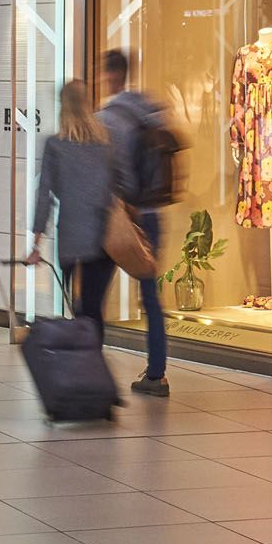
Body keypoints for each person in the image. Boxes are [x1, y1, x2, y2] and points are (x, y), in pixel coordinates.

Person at [99, 48, 172, 398]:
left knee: (93, 295)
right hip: (153, 215)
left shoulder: (108, 118)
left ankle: (89, 371)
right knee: (151, 298)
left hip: (120, 217)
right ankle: (156, 374)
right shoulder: (153, 110)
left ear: (111, 76)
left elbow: (109, 173)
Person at [24, 80, 119, 340]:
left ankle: (83, 364)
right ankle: (92, 361)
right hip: (104, 238)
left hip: (72, 238)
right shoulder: (105, 143)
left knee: (78, 309)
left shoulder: (56, 145)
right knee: (93, 308)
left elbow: (45, 194)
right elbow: (116, 185)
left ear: (62, 107)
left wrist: (35, 243)